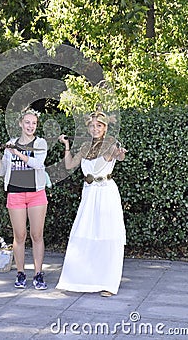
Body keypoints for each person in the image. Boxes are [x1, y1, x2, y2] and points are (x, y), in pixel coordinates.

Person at [56, 111, 127, 297]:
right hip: (89, 194)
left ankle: (108, 283)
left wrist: (120, 154)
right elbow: (70, 165)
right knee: (84, 233)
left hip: (106, 193)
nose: (95, 129)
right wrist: (66, 146)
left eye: (99, 126)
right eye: (92, 126)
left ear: (105, 128)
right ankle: (81, 280)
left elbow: (119, 156)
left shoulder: (111, 144)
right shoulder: (86, 147)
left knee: (106, 234)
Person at [0, 108, 48, 290]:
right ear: (20, 124)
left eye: (34, 123)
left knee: (37, 235)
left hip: (36, 194)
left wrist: (18, 153)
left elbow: (37, 164)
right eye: (27, 122)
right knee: (20, 235)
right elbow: (1, 172)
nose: (30, 126)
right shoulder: (11, 144)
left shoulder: (40, 143)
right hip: (15, 194)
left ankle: (38, 274)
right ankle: (21, 273)